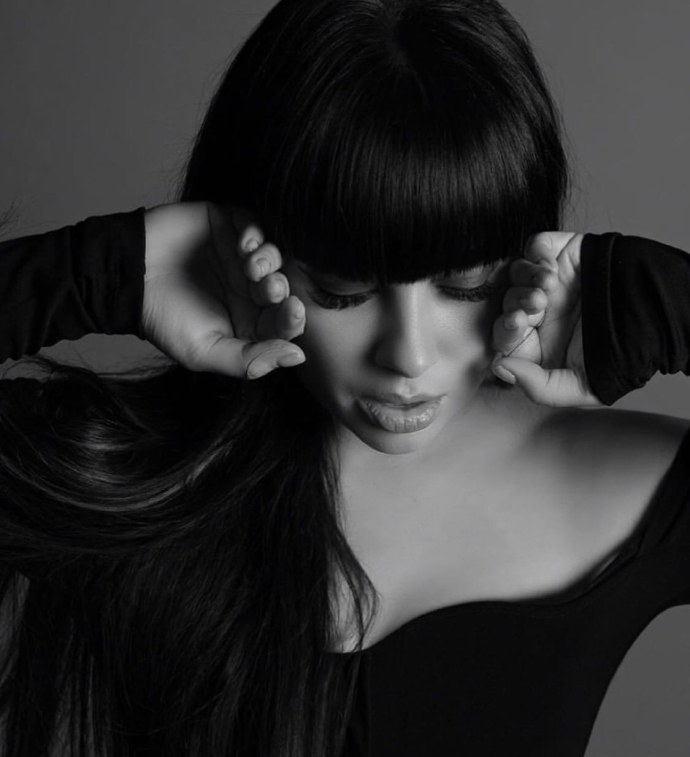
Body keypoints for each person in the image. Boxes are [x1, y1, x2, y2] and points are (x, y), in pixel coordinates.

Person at [1, 0, 689, 755]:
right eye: (341, 290)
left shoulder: (634, 484)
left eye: (466, 284)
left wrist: (673, 306)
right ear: (251, 251)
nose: (408, 356)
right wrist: (95, 274)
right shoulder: (123, 469)